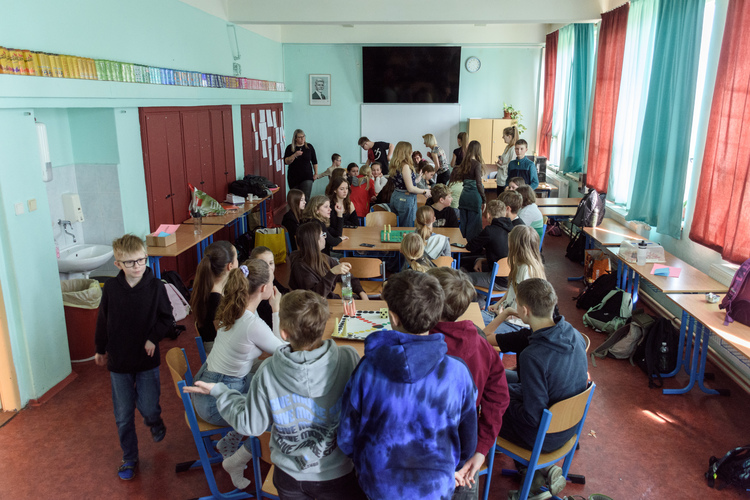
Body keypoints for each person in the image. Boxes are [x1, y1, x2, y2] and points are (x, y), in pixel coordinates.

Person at [184, 290, 367, 500]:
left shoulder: (268, 370)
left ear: (283, 333)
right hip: (338, 473)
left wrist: (220, 391)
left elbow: (250, 425)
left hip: (289, 477)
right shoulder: (348, 358)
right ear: (324, 325)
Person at [337, 271, 478, 500]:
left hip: (377, 484)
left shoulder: (367, 369)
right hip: (435, 488)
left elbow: (346, 436)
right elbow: (468, 442)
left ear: (393, 318)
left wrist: (365, 462)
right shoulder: (458, 373)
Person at [191, 259, 284, 488]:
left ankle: (229, 442)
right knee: (276, 412)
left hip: (211, 386)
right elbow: (283, 352)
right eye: (272, 281)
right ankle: (237, 460)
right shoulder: (251, 323)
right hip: (215, 401)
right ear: (264, 288)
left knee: (269, 382)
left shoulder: (235, 308)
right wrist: (276, 309)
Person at [491, 278, 588, 500]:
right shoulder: (574, 334)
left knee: (486, 407)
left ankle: (533, 473)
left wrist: (502, 401)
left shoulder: (533, 356)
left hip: (544, 437)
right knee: (506, 388)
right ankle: (537, 472)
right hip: (570, 429)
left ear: (524, 311)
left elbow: (532, 417)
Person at [426, 267, 510, 498]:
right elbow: (499, 397)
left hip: (424, 453)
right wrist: (482, 448)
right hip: (466, 447)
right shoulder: (481, 345)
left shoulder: (421, 343)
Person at [94, 234, 173, 480]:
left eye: (141, 260)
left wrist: (153, 338)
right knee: (123, 415)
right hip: (119, 362)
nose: (137, 266)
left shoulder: (156, 287)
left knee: (148, 406)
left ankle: (154, 420)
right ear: (118, 264)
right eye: (130, 262)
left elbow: (167, 319)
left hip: (146, 360)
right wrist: (100, 348)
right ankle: (129, 457)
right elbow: (103, 320)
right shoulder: (111, 289)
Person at [483, 226, 545, 339]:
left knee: (477, 331)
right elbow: (512, 289)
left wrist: (505, 315)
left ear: (516, 246)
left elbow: (527, 312)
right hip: (507, 316)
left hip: (516, 325)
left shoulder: (526, 270)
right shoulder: (520, 264)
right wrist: (498, 304)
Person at [288, 221, 368, 301]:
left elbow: (347, 276)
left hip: (328, 301)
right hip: (316, 306)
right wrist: (332, 273)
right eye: (322, 235)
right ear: (314, 241)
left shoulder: (322, 257)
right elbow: (315, 296)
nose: (324, 237)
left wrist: (361, 292)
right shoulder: (300, 266)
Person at [191, 240, 239, 352]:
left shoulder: (208, 286)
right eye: (237, 258)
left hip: (217, 344)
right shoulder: (215, 299)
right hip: (216, 349)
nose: (238, 262)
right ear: (230, 266)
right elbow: (223, 335)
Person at [465, 200, 514, 291]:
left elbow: (470, 246)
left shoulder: (490, 231)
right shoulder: (513, 229)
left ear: (488, 215)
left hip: (497, 280)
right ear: (505, 214)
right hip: (511, 279)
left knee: (462, 278)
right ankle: (481, 299)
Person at [388, 141, 430, 227]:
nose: (411, 152)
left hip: (396, 196)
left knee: (396, 227)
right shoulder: (405, 166)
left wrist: (416, 180)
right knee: (407, 228)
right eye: (410, 150)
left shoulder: (394, 165)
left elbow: (402, 182)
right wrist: (424, 191)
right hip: (405, 198)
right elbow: (410, 188)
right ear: (406, 152)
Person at [250, 246, 290, 330]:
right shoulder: (256, 289)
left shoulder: (270, 278)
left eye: (271, 263)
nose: (268, 268)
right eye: (263, 264)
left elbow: (284, 291)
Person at [455, 140, 487, 241]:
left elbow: (461, 179)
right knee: (474, 227)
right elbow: (478, 184)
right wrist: (484, 200)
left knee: (464, 225)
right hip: (474, 197)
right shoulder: (477, 164)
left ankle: (462, 245)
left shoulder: (464, 163)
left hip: (464, 196)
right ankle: (472, 248)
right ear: (478, 150)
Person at [284, 129, 318, 201]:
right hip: (293, 177)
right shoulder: (290, 148)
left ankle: (305, 208)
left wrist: (316, 173)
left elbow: (314, 161)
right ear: (295, 138)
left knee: (305, 198)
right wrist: (294, 155)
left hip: (307, 176)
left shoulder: (309, 147)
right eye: (300, 137)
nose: (302, 139)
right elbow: (286, 161)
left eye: (303, 136)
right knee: (295, 199)